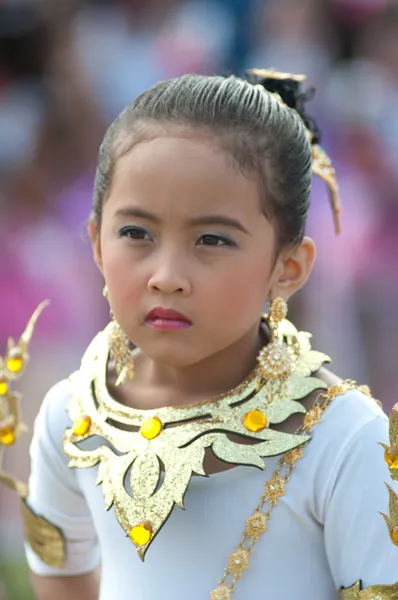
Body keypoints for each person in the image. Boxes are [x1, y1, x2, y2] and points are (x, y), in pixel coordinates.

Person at [1, 69, 398, 600]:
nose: (166, 274)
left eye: (212, 239)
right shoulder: (70, 420)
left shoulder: (344, 439)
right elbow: (62, 583)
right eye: (135, 233)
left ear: (289, 266)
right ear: (96, 242)